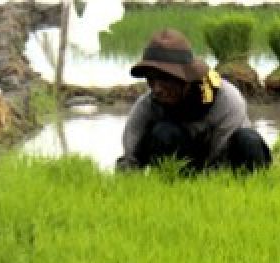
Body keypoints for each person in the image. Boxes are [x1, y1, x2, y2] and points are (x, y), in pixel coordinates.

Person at [116, 29, 271, 174]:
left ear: (187, 79)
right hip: (182, 167)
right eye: (151, 80)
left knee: (249, 141)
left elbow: (219, 156)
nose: (156, 89)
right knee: (164, 133)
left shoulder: (226, 100)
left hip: (224, 161)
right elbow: (130, 159)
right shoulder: (148, 105)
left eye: (165, 80)